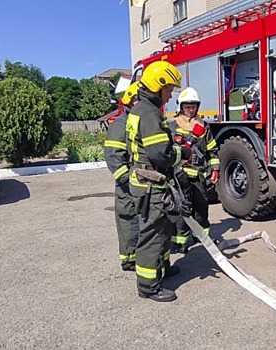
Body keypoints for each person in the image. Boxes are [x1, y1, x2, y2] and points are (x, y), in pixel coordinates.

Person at [125, 61, 192, 302]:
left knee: (162, 229)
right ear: (158, 85)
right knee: (153, 233)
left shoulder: (142, 109)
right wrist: (181, 153)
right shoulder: (150, 112)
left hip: (148, 181)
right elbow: (159, 155)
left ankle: (160, 270)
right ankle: (148, 285)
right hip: (150, 183)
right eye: (169, 89)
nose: (171, 94)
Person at [168, 87, 220, 253]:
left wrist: (215, 168)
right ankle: (180, 241)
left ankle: (202, 236)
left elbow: (212, 150)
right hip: (179, 176)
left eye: (193, 107)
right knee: (182, 208)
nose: (190, 110)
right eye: (187, 107)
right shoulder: (172, 126)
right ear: (181, 107)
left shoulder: (203, 126)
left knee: (201, 207)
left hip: (199, 175)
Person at [104, 82, 140, 272]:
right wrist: (126, 179)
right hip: (127, 184)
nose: (138, 103)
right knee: (128, 220)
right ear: (128, 102)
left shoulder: (141, 121)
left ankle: (140, 257)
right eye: (135, 99)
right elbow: (113, 156)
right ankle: (128, 259)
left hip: (140, 182)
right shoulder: (120, 125)